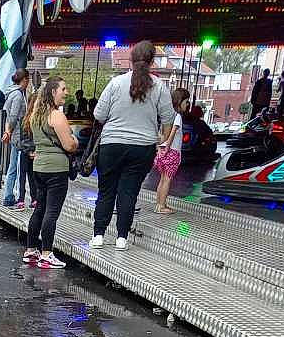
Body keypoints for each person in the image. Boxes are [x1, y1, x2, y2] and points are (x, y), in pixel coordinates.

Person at [89, 40, 175, 250]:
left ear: (131, 60)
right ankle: (121, 239)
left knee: (106, 191)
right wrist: (162, 140)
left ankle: (99, 236)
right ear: (152, 61)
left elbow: (98, 115)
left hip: (111, 146)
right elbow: (168, 118)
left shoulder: (116, 83)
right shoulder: (159, 86)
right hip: (142, 148)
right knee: (128, 193)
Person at [23, 76, 78, 268]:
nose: (66, 92)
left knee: (40, 208)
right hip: (56, 169)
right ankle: (46, 253)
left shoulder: (36, 115)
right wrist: (76, 141)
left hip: (39, 168)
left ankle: (31, 250)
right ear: (53, 92)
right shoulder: (57, 116)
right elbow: (69, 145)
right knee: (51, 212)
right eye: (63, 89)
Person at [1, 68, 36, 209]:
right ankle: (11, 196)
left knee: (12, 165)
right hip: (18, 136)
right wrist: (8, 132)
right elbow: (14, 116)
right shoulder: (17, 95)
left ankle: (9, 195)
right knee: (16, 167)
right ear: (25, 80)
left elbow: (7, 114)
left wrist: (6, 130)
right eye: (28, 80)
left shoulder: (10, 93)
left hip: (14, 134)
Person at [154, 87, 190, 214]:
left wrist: (160, 148)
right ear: (180, 102)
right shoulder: (178, 116)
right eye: (186, 102)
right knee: (167, 180)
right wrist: (168, 146)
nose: (188, 105)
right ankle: (162, 206)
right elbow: (173, 132)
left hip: (162, 151)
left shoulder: (167, 115)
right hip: (172, 152)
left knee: (162, 179)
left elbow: (160, 132)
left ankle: (158, 204)